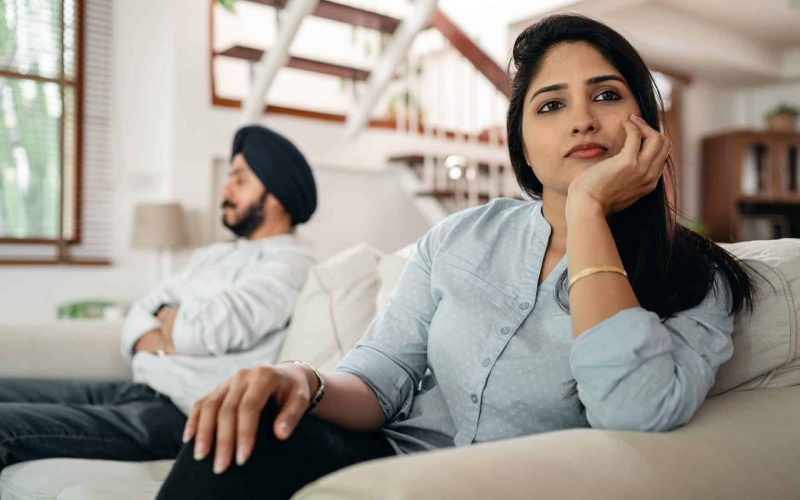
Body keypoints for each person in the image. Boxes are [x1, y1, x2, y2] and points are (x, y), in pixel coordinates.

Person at [156, 15, 757, 500]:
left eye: (605, 94)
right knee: (244, 429)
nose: (581, 120)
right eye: (550, 105)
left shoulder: (696, 275)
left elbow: (635, 411)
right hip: (386, 461)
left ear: (645, 124)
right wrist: (301, 378)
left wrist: (589, 209)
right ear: (521, 139)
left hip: (511, 486)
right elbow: (381, 375)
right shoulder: (461, 236)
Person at [0, 125, 317, 471]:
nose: (224, 190)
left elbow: (200, 332)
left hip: (179, 414)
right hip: (137, 389)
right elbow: (141, 311)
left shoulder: (291, 265)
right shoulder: (212, 255)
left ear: (277, 195)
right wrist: (170, 329)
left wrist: (167, 321)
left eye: (239, 180)